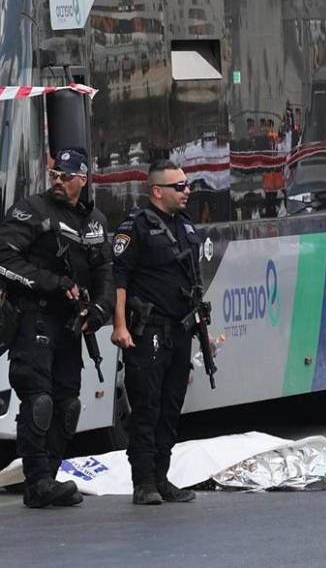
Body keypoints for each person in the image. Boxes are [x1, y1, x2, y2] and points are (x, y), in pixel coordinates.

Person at [0, 147, 114, 509]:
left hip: (71, 324)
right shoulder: (32, 210)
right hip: (35, 318)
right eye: (55, 175)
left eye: (67, 176)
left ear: (82, 180)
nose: (58, 181)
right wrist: (52, 282)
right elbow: (1, 260)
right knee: (38, 400)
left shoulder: (95, 221)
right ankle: (37, 481)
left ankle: (50, 475)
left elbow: (106, 271)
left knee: (68, 405)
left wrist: (100, 309)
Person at [111, 160, 201, 506]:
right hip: (147, 330)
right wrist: (120, 326)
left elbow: (193, 281)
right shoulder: (135, 228)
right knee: (146, 407)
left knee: (171, 406)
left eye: (187, 185)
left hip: (181, 330)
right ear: (157, 191)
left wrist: (202, 330)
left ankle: (162, 478)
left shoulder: (186, 225)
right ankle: (144, 482)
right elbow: (119, 280)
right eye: (179, 186)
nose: (186, 191)